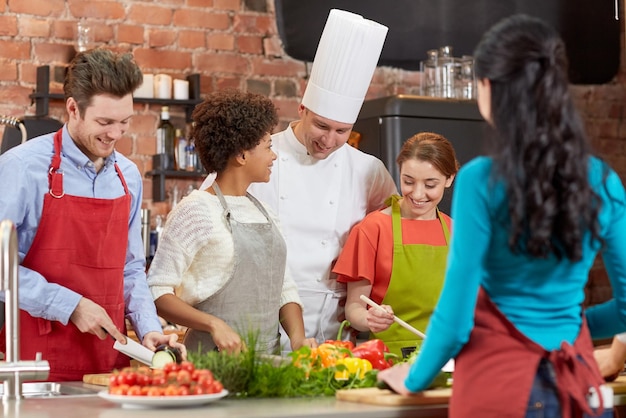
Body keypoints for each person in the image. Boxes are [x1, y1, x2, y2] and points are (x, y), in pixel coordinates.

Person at [378, 14, 626, 418]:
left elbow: (456, 317)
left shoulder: (482, 179)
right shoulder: (603, 180)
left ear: (489, 86)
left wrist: (412, 377)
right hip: (578, 389)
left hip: (502, 390)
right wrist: (571, 323)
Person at [0, 48, 183, 381]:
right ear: (73, 108)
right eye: (104, 122)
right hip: (38, 364)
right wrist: (70, 305)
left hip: (109, 363)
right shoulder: (22, 168)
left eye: (125, 122)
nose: (115, 133)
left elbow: (130, 268)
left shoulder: (127, 176)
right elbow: (1, 269)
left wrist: (148, 328)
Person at [246, 9, 398, 351]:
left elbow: (396, 234)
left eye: (342, 131)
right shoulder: (258, 158)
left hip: (338, 328)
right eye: (321, 126)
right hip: (265, 323)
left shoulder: (369, 170)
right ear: (302, 108)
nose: (329, 140)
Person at [147, 90, 317, 355]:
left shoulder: (265, 213)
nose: (274, 156)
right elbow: (157, 292)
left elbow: (284, 288)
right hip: (209, 363)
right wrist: (214, 324)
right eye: (268, 147)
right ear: (241, 155)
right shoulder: (196, 210)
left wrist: (297, 340)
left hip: (265, 365)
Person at [333, 132, 459, 357]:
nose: (417, 194)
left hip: (447, 357)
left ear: (449, 179)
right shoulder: (373, 229)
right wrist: (369, 319)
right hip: (387, 358)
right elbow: (354, 307)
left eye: (430, 184)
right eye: (408, 181)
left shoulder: (457, 233)